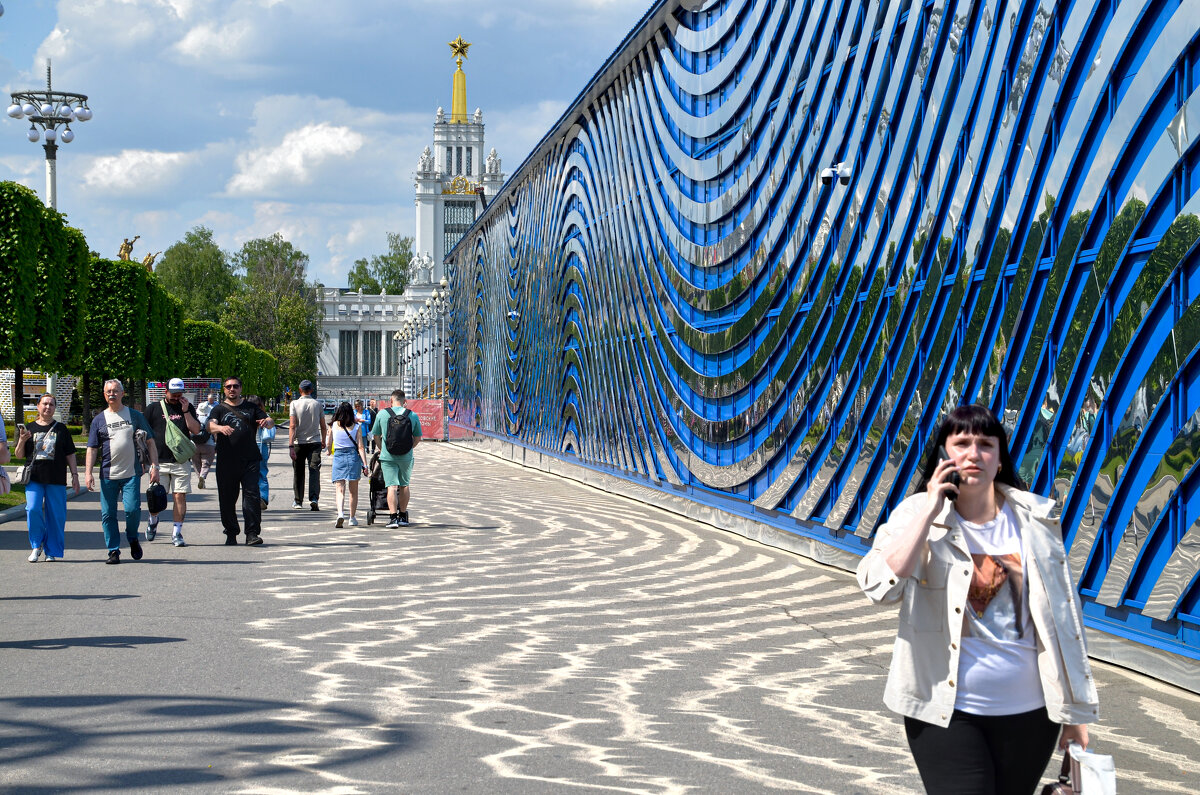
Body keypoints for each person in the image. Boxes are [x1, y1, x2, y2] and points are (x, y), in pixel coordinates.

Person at [856, 404, 1098, 794]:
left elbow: (1065, 620)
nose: (973, 453)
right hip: (945, 712)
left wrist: (1076, 715)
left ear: (1000, 460)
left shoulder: (1034, 520)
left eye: (986, 444)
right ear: (942, 454)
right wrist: (931, 508)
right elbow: (878, 587)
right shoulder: (917, 515)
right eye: (962, 442)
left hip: (1031, 716)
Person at [85, 379, 160, 564]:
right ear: (104, 394)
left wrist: (155, 466)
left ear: (122, 393)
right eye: (108, 391)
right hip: (108, 474)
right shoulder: (99, 419)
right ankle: (113, 550)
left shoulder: (134, 416)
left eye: (116, 391)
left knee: (132, 509)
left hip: (131, 474)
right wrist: (88, 473)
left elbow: (150, 442)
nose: (112, 394)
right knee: (108, 514)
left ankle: (133, 537)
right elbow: (92, 448)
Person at [207, 376, 274, 545]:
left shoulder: (251, 407)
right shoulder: (219, 409)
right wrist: (220, 428)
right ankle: (231, 532)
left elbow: (270, 421)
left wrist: (267, 421)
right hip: (226, 461)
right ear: (224, 389)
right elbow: (209, 425)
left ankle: (252, 534)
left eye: (235, 386)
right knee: (227, 498)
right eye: (228, 386)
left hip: (250, 460)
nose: (232, 389)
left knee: (251, 496)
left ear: (240, 388)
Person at [15, 393, 79, 562]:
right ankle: (36, 545)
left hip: (56, 478)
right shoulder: (29, 428)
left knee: (56, 515)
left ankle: (52, 550)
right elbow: (19, 455)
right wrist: (22, 441)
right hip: (34, 477)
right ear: (38, 406)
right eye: (44, 404)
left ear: (54, 408)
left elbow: (70, 454)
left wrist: (75, 475)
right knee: (33, 509)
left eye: (51, 404)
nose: (48, 407)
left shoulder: (61, 429)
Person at [143, 377, 202, 547]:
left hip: (181, 460)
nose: (177, 397)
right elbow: (144, 434)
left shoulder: (187, 407)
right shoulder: (153, 409)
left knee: (179, 496)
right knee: (155, 498)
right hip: (159, 461)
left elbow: (196, 429)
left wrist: (185, 411)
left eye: (179, 394)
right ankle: (153, 520)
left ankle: (177, 533)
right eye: (173, 394)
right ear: (165, 392)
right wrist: (145, 461)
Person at [371, 389, 421, 528]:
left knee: (391, 486)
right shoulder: (412, 415)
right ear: (405, 401)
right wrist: (409, 448)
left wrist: (382, 449)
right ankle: (403, 516)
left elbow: (375, 436)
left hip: (388, 456)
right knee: (404, 485)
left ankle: (393, 518)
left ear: (391, 401)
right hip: (406, 457)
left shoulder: (382, 414)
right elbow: (418, 438)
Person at [329, 401, 368, 527]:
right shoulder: (356, 427)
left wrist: (329, 451)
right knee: (353, 490)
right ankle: (352, 517)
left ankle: (340, 513)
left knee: (339, 488)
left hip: (338, 457)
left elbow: (329, 445)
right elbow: (361, 447)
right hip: (352, 457)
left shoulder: (334, 425)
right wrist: (365, 465)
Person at [288, 379, 326, 510]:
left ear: (300, 390)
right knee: (314, 470)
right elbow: (323, 425)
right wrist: (324, 440)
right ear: (311, 390)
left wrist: (291, 445)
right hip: (315, 442)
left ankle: (298, 501)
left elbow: (292, 426)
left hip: (299, 442)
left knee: (298, 472)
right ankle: (314, 498)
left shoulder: (294, 404)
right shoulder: (317, 404)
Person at [248, 395, 274, 509]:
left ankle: (252, 498)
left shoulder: (246, 415)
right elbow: (271, 424)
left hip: (249, 446)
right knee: (262, 472)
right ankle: (263, 497)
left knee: (248, 474)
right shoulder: (264, 416)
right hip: (262, 446)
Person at [192, 391, 218, 489]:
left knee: (196, 462)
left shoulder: (195, 419)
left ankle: (200, 477)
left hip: (195, 444)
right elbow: (214, 432)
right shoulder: (211, 420)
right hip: (208, 443)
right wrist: (216, 443)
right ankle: (203, 476)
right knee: (206, 462)